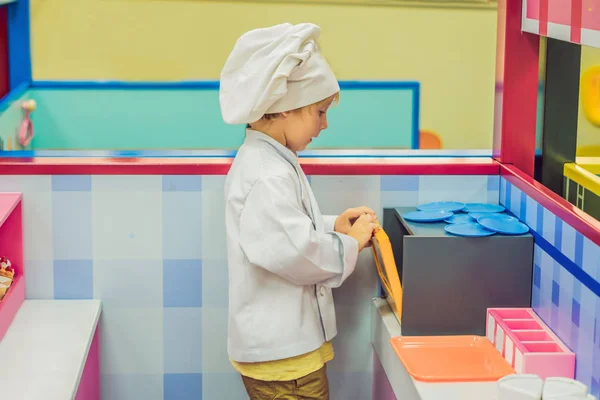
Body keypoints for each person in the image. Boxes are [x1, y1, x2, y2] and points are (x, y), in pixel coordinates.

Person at [219, 22, 379, 400]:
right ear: (287, 109)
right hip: (283, 361)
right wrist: (347, 244)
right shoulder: (267, 174)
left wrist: (332, 227)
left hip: (286, 354)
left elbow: (284, 232)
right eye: (320, 112)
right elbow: (295, 251)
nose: (325, 125)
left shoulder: (271, 161)